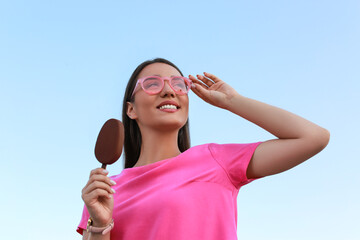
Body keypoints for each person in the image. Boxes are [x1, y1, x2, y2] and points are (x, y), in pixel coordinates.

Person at [77, 58, 330, 240]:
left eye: (178, 84)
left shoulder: (216, 161)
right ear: (131, 109)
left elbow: (313, 137)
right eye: (152, 84)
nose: (168, 90)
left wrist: (234, 102)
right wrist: (100, 225)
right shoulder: (104, 192)